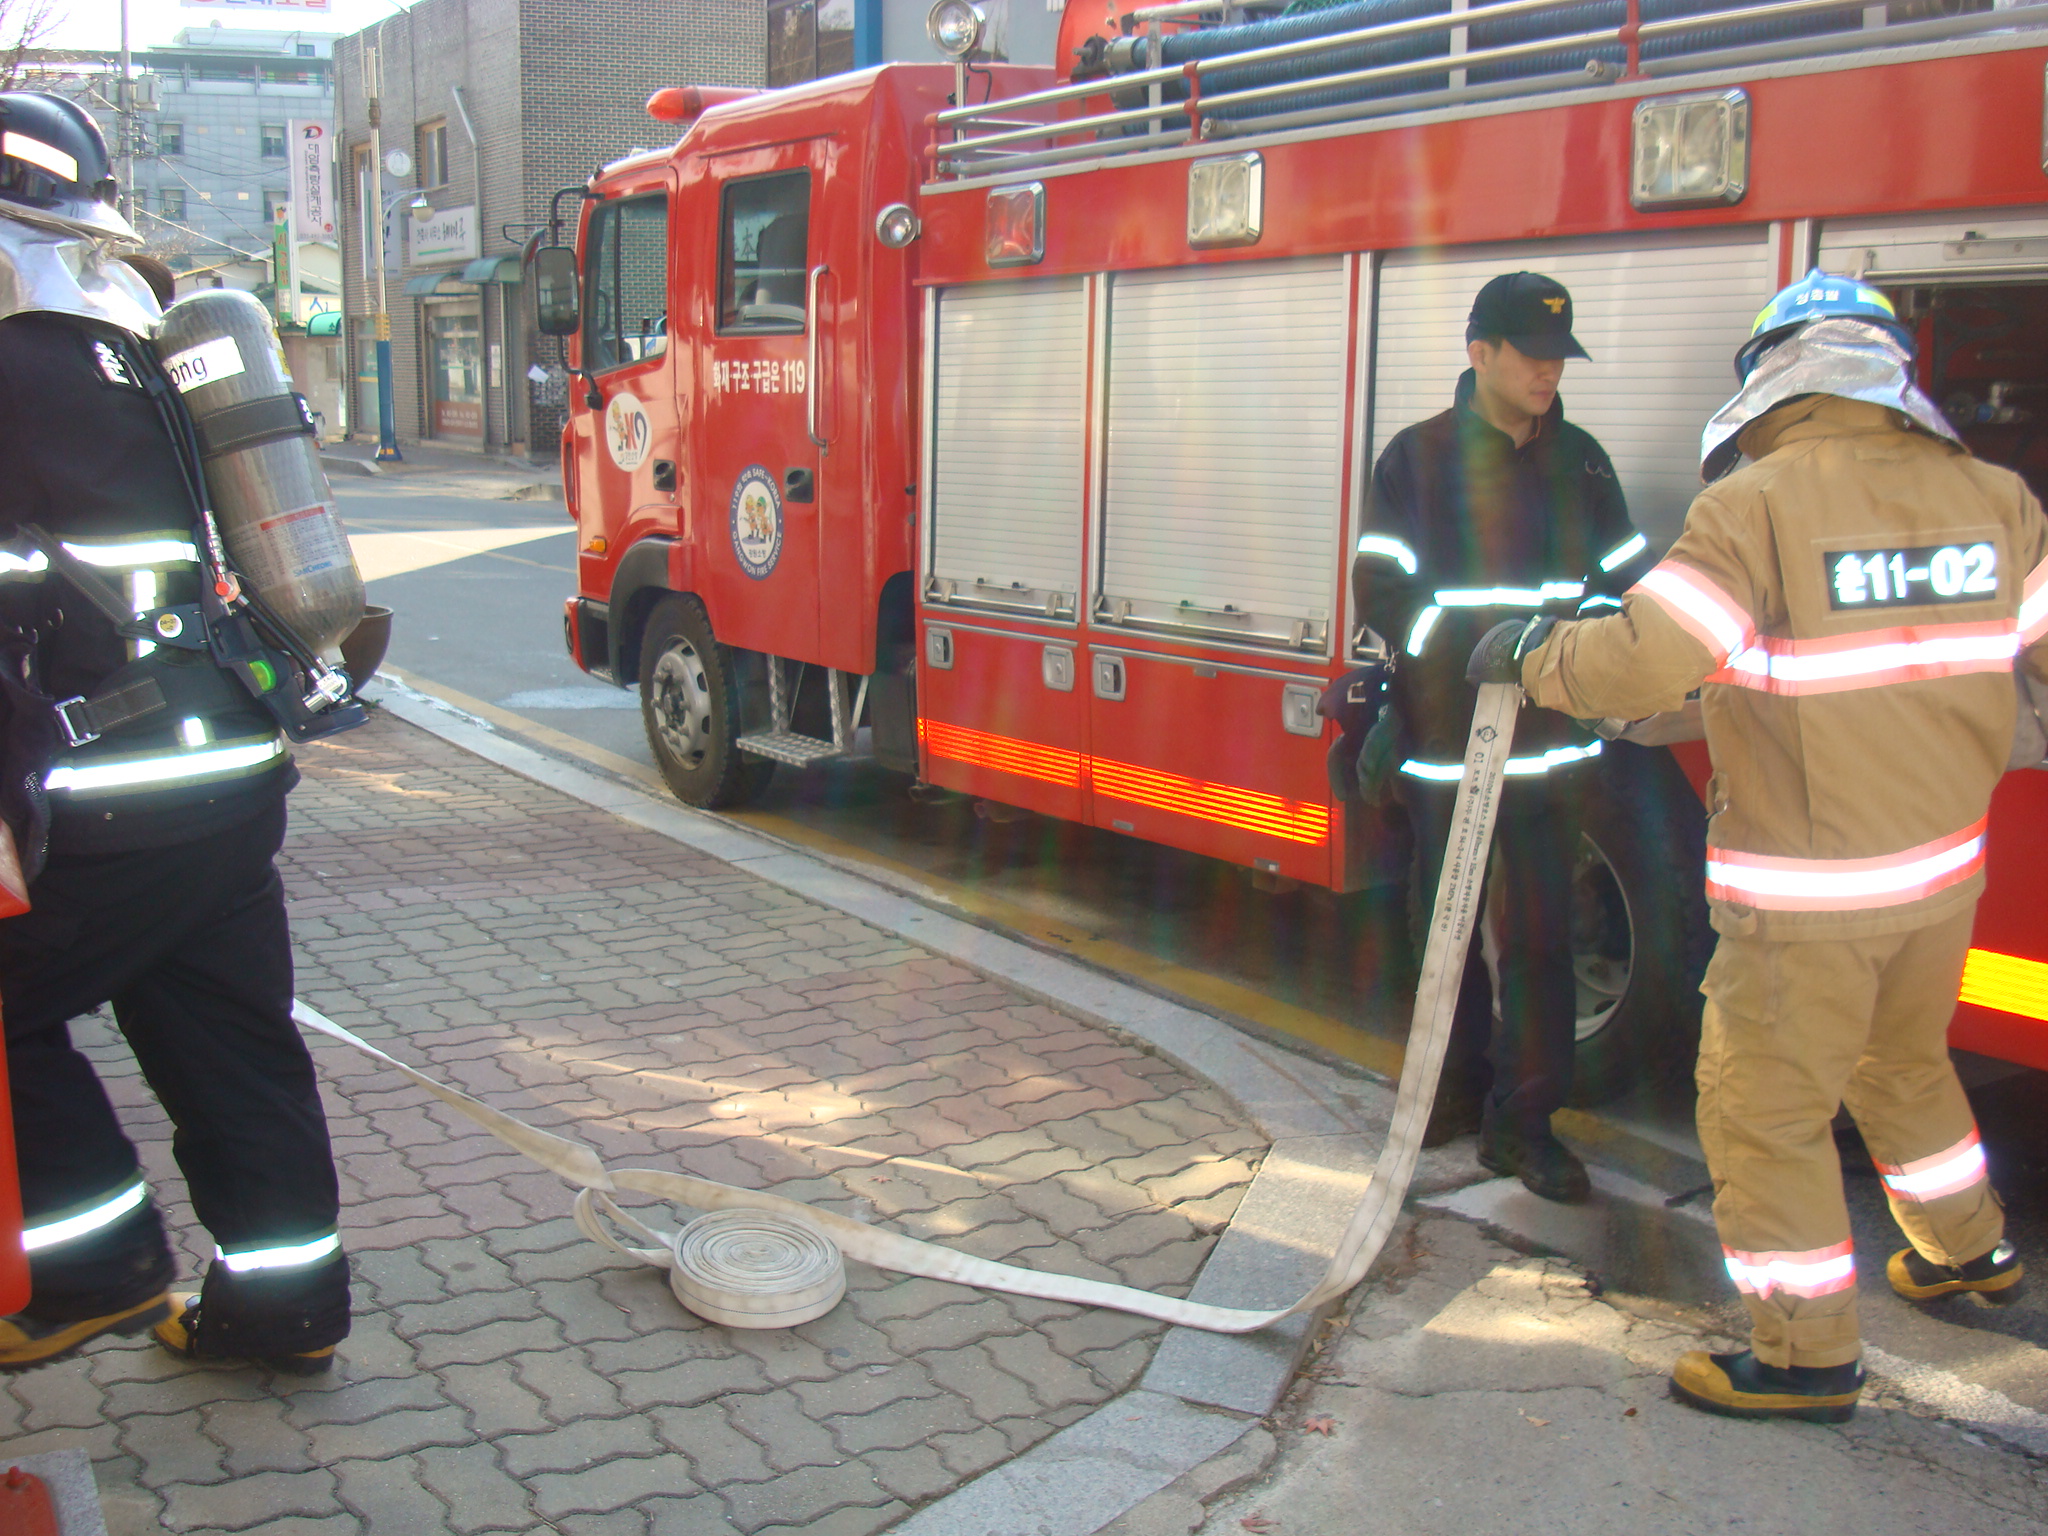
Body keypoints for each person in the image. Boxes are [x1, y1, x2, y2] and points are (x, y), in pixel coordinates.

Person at [1471, 270, 2045, 1422]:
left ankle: (1800, 1354)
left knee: (1759, 1112)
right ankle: (1964, 1253)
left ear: (1770, 379)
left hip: (1805, 899)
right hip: (1939, 875)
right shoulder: (1997, 498)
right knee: (1899, 1063)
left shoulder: (1755, 504)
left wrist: (1534, 656)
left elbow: (1644, 660)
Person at [0, 93, 349, 1373]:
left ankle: (90, 1268)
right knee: (235, 1052)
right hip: (229, 770)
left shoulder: (12, 364)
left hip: (108, 793)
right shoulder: (143, 345)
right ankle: (286, 1313)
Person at [1353, 271, 1653, 1203]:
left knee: (1541, 941)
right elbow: (1384, 591)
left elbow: (1626, 584)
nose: (1549, 372)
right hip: (1449, 751)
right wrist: (1470, 655)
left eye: (1560, 357)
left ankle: (1524, 1128)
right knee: (1441, 935)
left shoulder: (1583, 463)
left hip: (1551, 754)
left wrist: (1575, 651)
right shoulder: (1417, 459)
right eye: (1532, 354)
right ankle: (1446, 1094)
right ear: (1479, 352)